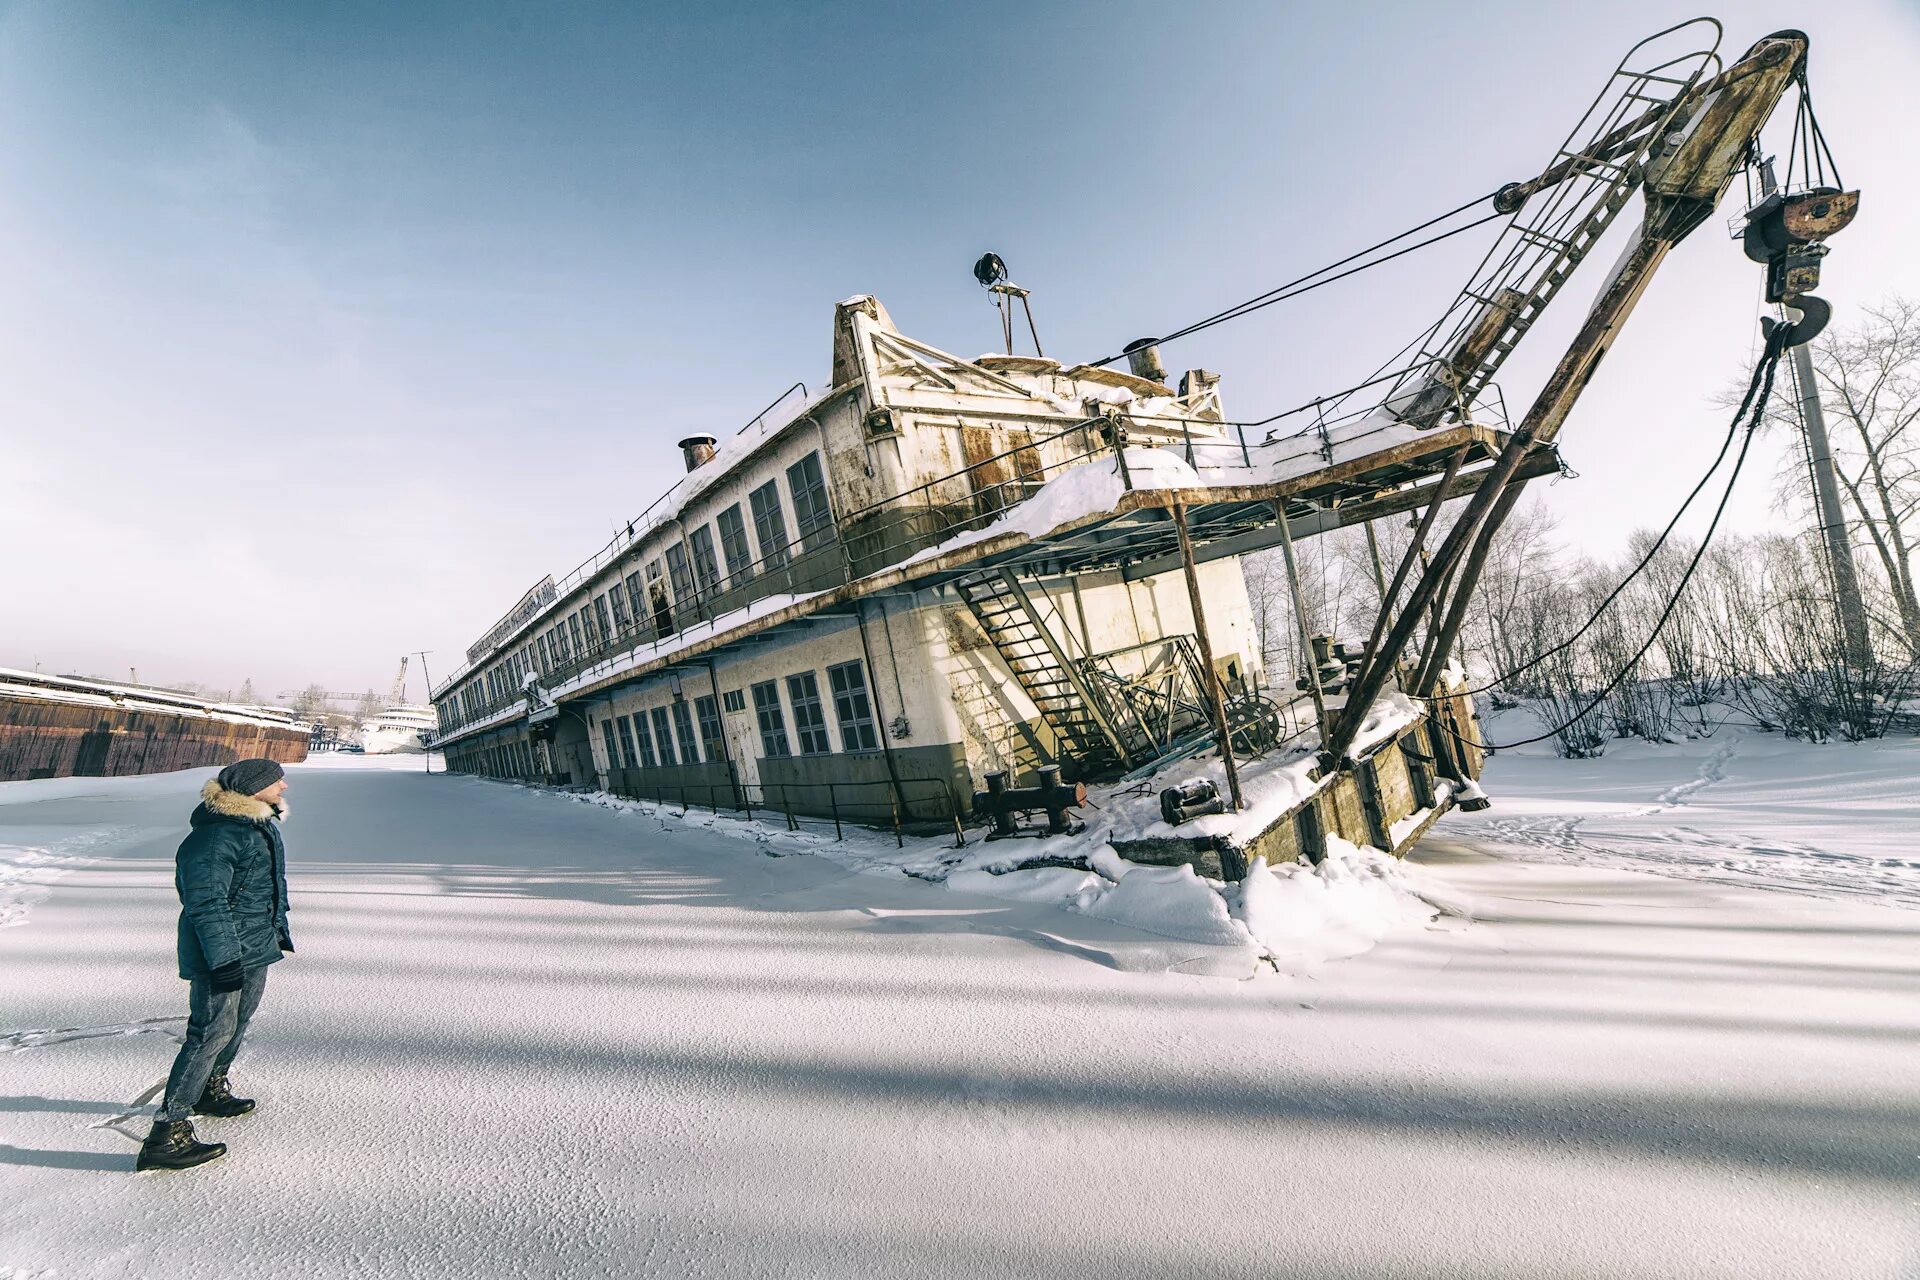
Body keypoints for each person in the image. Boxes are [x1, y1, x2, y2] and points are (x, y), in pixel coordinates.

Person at [137, 758, 294, 1172]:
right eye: (276, 781)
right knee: (209, 1032)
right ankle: (167, 1135)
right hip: (221, 953)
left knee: (238, 1024)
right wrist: (223, 959)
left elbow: (263, 890)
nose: (285, 787)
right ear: (252, 788)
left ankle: (210, 1088)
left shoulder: (257, 827)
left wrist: (275, 931)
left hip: (253, 946)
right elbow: (206, 902)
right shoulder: (215, 837)